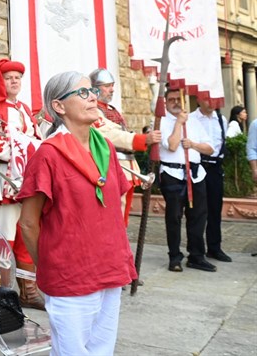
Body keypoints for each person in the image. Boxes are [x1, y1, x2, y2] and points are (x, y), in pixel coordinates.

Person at [18, 71, 136, 356]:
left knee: (102, 350)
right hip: (70, 275)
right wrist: (47, 267)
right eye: (82, 93)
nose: (93, 96)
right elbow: (28, 223)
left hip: (109, 268)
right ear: (59, 106)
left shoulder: (105, 147)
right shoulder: (48, 154)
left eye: (92, 90)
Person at [0, 59, 43, 309]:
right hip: (6, 181)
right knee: (5, 237)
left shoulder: (24, 109)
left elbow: (36, 140)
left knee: (28, 233)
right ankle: (2, 294)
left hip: (28, 179)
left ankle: (28, 291)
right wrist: (22, 144)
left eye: (18, 77)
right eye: (8, 77)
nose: (14, 81)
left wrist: (25, 143)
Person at [89, 68, 161, 226]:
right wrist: (141, 139)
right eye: (107, 85)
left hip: (126, 165)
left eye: (112, 85)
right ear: (95, 88)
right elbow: (109, 135)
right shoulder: (93, 110)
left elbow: (121, 131)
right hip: (111, 166)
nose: (112, 89)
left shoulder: (111, 110)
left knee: (123, 214)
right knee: (115, 214)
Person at [159, 88, 216, 272]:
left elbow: (210, 149)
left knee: (198, 216)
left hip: (196, 174)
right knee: (174, 217)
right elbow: (173, 145)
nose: (176, 102)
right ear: (166, 102)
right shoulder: (161, 122)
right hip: (173, 174)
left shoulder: (194, 123)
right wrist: (178, 123)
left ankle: (197, 256)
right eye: (172, 99)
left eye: (179, 99)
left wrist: (193, 144)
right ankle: (174, 256)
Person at [191, 98, 231, 264]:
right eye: (207, 99)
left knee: (215, 208)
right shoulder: (192, 119)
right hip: (199, 164)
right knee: (198, 210)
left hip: (215, 167)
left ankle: (214, 247)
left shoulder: (221, 119)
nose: (210, 102)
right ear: (199, 99)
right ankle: (196, 250)